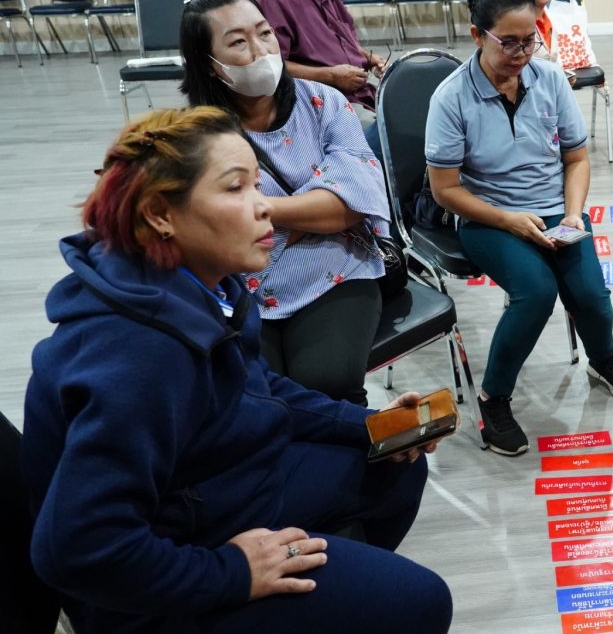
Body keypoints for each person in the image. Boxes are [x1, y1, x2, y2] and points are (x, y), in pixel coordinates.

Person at [21, 107, 452, 633]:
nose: (264, 206)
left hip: (210, 492)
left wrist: (364, 425)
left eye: (257, 184)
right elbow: (74, 549)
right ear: (161, 214)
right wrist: (230, 574)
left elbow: (259, 388)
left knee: (396, 463)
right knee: (422, 602)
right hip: (143, 585)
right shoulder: (140, 352)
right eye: (235, 189)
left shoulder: (203, 285)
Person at [426, 0, 613, 457]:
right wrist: (507, 220)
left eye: (531, 40)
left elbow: (577, 158)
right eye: (509, 43)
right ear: (477, 36)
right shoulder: (451, 97)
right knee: (536, 291)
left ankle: (603, 359)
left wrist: (572, 215)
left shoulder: (547, 78)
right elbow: (444, 190)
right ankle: (494, 397)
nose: (522, 54)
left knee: (590, 291)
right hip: (488, 217)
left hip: (554, 211)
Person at [180, 0, 392, 407]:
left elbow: (352, 204)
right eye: (238, 42)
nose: (260, 51)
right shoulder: (196, 137)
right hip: (242, 287)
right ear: (209, 63)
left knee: (326, 384)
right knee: (256, 393)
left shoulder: (323, 103)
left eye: (265, 33)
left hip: (335, 271)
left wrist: (260, 212)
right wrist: (314, 203)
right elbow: (209, 235)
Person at [251, 0, 388, 157]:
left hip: (360, 93)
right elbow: (270, 66)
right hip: (323, 103)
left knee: (408, 113)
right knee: (387, 138)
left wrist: (367, 56)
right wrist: (331, 76)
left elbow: (339, 38)